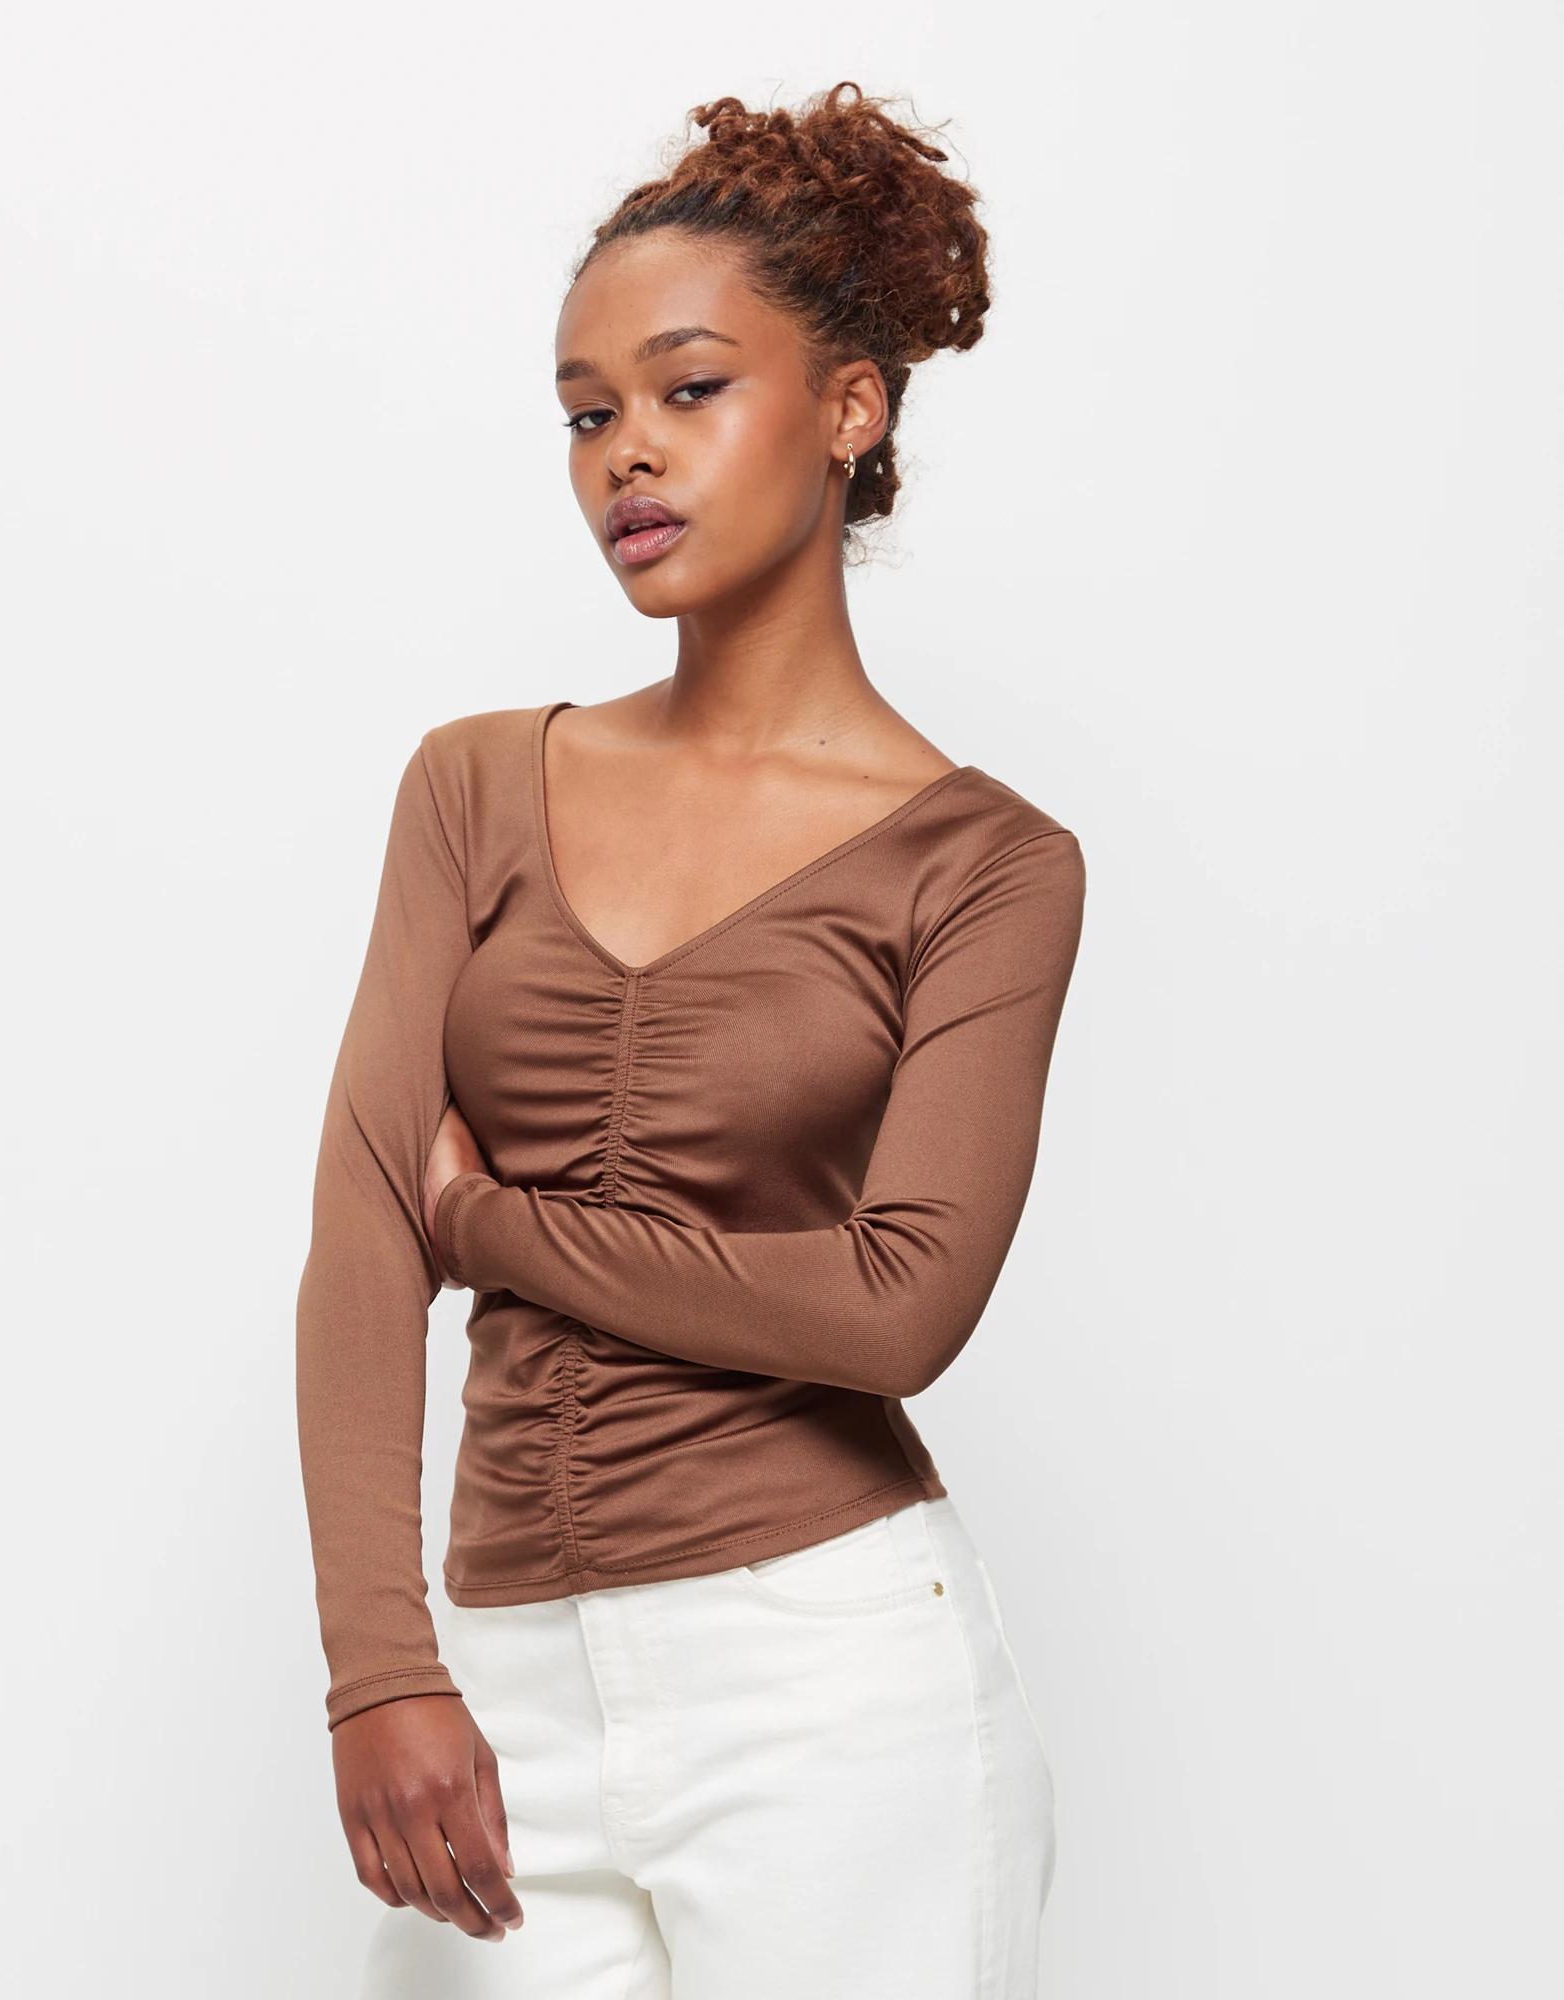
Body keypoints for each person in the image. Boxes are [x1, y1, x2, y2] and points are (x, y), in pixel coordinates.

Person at [296, 81, 1087, 2000]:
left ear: (848, 408)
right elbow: (359, 1236)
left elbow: (894, 1309)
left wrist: (493, 1228)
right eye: (586, 415)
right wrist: (380, 1670)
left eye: (688, 389)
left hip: (830, 1685)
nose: (625, 454)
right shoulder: (474, 786)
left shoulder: (988, 865)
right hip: (502, 1685)